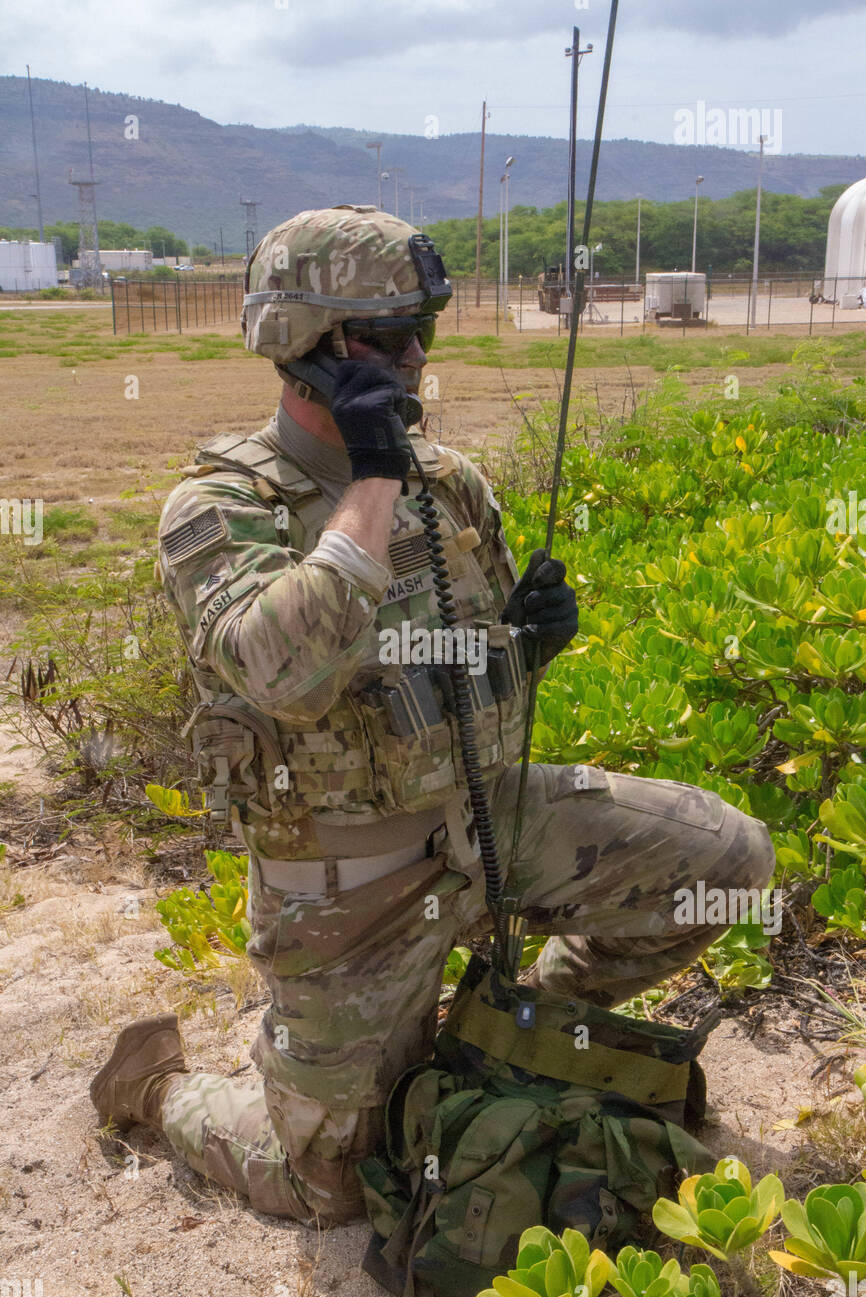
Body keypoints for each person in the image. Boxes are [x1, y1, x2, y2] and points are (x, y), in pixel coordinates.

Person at [91, 205, 774, 1226]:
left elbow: (459, 665)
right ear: (303, 348)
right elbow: (284, 672)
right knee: (332, 1185)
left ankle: (507, 1027)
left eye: (423, 332)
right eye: (383, 338)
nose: (413, 358)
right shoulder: (220, 508)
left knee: (729, 868)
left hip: (487, 823)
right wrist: (367, 477)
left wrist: (530, 642)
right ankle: (154, 1087)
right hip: (346, 886)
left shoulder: (447, 485)